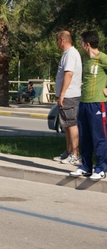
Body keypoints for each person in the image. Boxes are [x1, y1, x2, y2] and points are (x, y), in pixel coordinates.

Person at [70, 31, 107, 181]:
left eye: (81, 42)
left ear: (87, 44)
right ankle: (86, 166)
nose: (80, 44)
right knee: (84, 136)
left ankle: (101, 168)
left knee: (99, 137)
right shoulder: (85, 58)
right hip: (84, 102)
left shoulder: (103, 58)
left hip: (98, 103)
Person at [52, 31, 82, 165]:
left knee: (71, 124)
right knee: (66, 125)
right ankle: (68, 151)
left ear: (62, 40)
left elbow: (68, 74)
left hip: (69, 95)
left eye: (57, 40)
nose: (57, 43)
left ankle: (75, 153)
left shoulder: (70, 54)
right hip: (66, 95)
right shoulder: (68, 54)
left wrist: (62, 94)